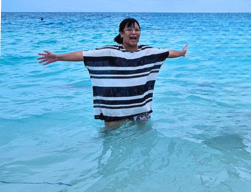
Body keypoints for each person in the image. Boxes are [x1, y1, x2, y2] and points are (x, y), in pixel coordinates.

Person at [38, 18, 188, 126]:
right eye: (129, 29)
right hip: (115, 113)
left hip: (140, 112)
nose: (133, 32)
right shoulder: (110, 52)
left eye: (136, 29)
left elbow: (167, 53)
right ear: (121, 33)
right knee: (112, 149)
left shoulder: (148, 52)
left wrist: (181, 53)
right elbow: (83, 55)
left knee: (144, 152)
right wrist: (57, 57)